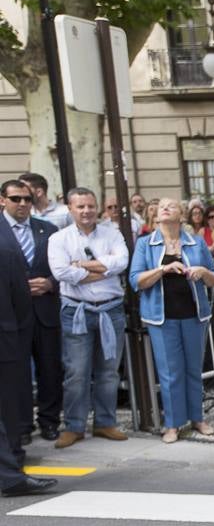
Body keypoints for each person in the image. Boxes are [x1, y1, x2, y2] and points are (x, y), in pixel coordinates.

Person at [129, 198, 214, 443]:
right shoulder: (146, 244)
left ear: (182, 215)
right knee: (170, 372)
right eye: (161, 206)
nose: (165, 208)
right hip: (161, 317)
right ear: (156, 216)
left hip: (194, 314)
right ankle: (173, 424)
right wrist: (163, 270)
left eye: (172, 205)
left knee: (193, 369)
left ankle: (197, 418)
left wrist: (203, 272)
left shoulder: (196, 242)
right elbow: (135, 280)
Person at [47, 187, 130, 449]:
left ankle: (105, 422)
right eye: (80, 206)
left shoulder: (112, 233)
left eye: (90, 206)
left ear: (98, 207)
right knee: (76, 372)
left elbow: (122, 262)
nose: (86, 211)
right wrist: (105, 270)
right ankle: (74, 426)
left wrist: (81, 265)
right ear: (70, 209)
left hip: (111, 310)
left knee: (108, 372)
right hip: (76, 311)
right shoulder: (59, 239)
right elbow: (61, 272)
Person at [0, 179, 61, 444]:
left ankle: (49, 421)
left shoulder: (48, 230)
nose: (23, 204)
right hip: (10, 317)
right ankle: (21, 426)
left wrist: (51, 283)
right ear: (2, 200)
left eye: (27, 199)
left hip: (45, 310)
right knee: (17, 373)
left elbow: (63, 266)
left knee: (50, 368)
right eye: (16, 199)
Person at [1, 230, 55, 498]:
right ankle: (10, 475)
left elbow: (21, 304)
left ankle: (11, 471)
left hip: (8, 341)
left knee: (9, 411)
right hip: (8, 341)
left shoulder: (7, 253)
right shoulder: (8, 252)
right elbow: (21, 304)